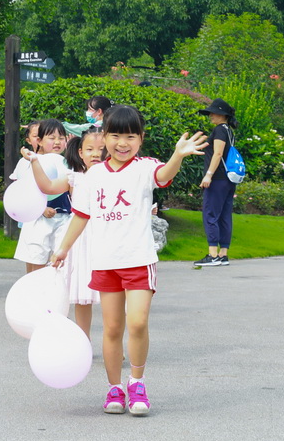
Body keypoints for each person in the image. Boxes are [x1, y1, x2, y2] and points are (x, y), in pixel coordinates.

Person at [52, 105, 207, 416]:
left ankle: (137, 382)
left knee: (137, 322)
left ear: (141, 139)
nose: (122, 143)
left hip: (138, 260)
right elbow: (81, 216)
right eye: (115, 135)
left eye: (130, 136)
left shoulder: (144, 168)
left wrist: (177, 155)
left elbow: (163, 177)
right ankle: (114, 388)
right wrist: (63, 249)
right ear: (104, 136)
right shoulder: (93, 175)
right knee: (112, 328)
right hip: (105, 262)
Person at [25, 126, 104, 338]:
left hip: (106, 239)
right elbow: (47, 186)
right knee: (82, 295)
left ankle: (113, 342)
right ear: (80, 152)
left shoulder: (114, 177)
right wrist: (34, 160)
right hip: (80, 241)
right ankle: (83, 339)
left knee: (112, 295)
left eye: (102, 149)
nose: (96, 154)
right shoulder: (75, 178)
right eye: (90, 149)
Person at [12, 119, 70, 274]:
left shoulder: (68, 162)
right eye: (52, 138)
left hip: (63, 216)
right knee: (36, 258)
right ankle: (33, 293)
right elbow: (24, 189)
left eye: (61, 138)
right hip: (38, 217)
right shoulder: (32, 161)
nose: (57, 142)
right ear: (40, 141)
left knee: (59, 260)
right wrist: (42, 208)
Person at [193, 98, 237, 268]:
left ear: (222, 115)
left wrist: (208, 175)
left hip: (217, 178)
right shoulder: (229, 131)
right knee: (225, 215)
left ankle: (212, 255)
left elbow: (217, 154)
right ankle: (223, 254)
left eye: (213, 112)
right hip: (228, 179)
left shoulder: (219, 130)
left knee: (210, 214)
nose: (210, 115)